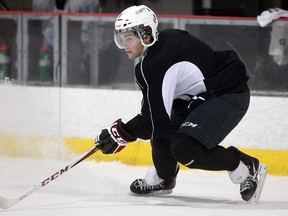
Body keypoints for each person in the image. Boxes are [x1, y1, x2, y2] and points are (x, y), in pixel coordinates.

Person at [95, 5, 267, 203]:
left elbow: (153, 121)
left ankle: (244, 166)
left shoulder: (155, 63)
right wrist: (125, 131)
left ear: (147, 36)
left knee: (185, 148)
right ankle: (164, 178)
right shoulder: (164, 42)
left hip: (228, 93)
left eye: (129, 38)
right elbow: (155, 117)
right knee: (162, 134)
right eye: (121, 38)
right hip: (200, 98)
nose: (125, 45)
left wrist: (122, 132)